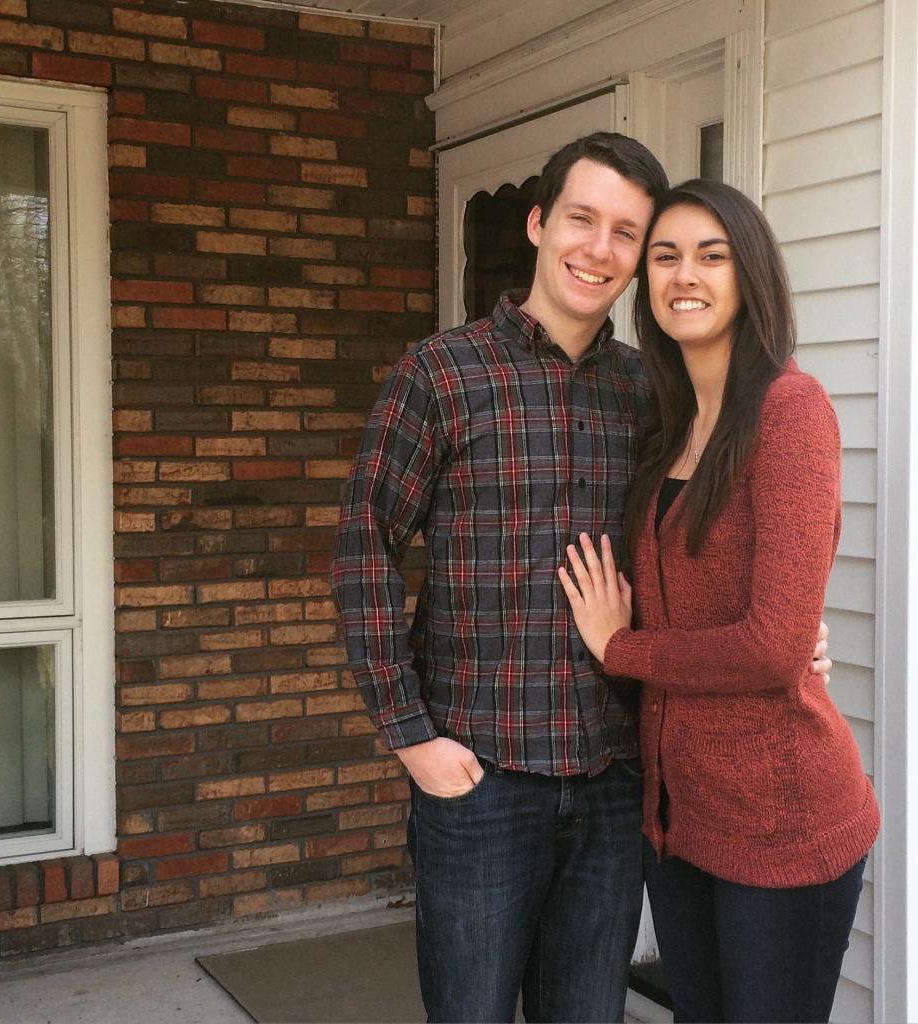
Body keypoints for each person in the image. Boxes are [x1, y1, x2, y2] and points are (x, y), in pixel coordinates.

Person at [331, 134, 831, 1024]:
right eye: (581, 220)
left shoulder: (651, 393)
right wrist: (410, 735)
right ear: (537, 222)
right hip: (480, 777)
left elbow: (697, 546)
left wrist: (787, 637)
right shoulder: (441, 373)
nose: (599, 249)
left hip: (613, 779)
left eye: (626, 233)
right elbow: (363, 546)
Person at [558, 178, 880, 1023]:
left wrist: (618, 648)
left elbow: (773, 647)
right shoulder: (669, 428)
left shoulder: (789, 409)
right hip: (681, 824)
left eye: (711, 254)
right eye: (664, 256)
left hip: (783, 823)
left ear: (751, 277)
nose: (683, 275)